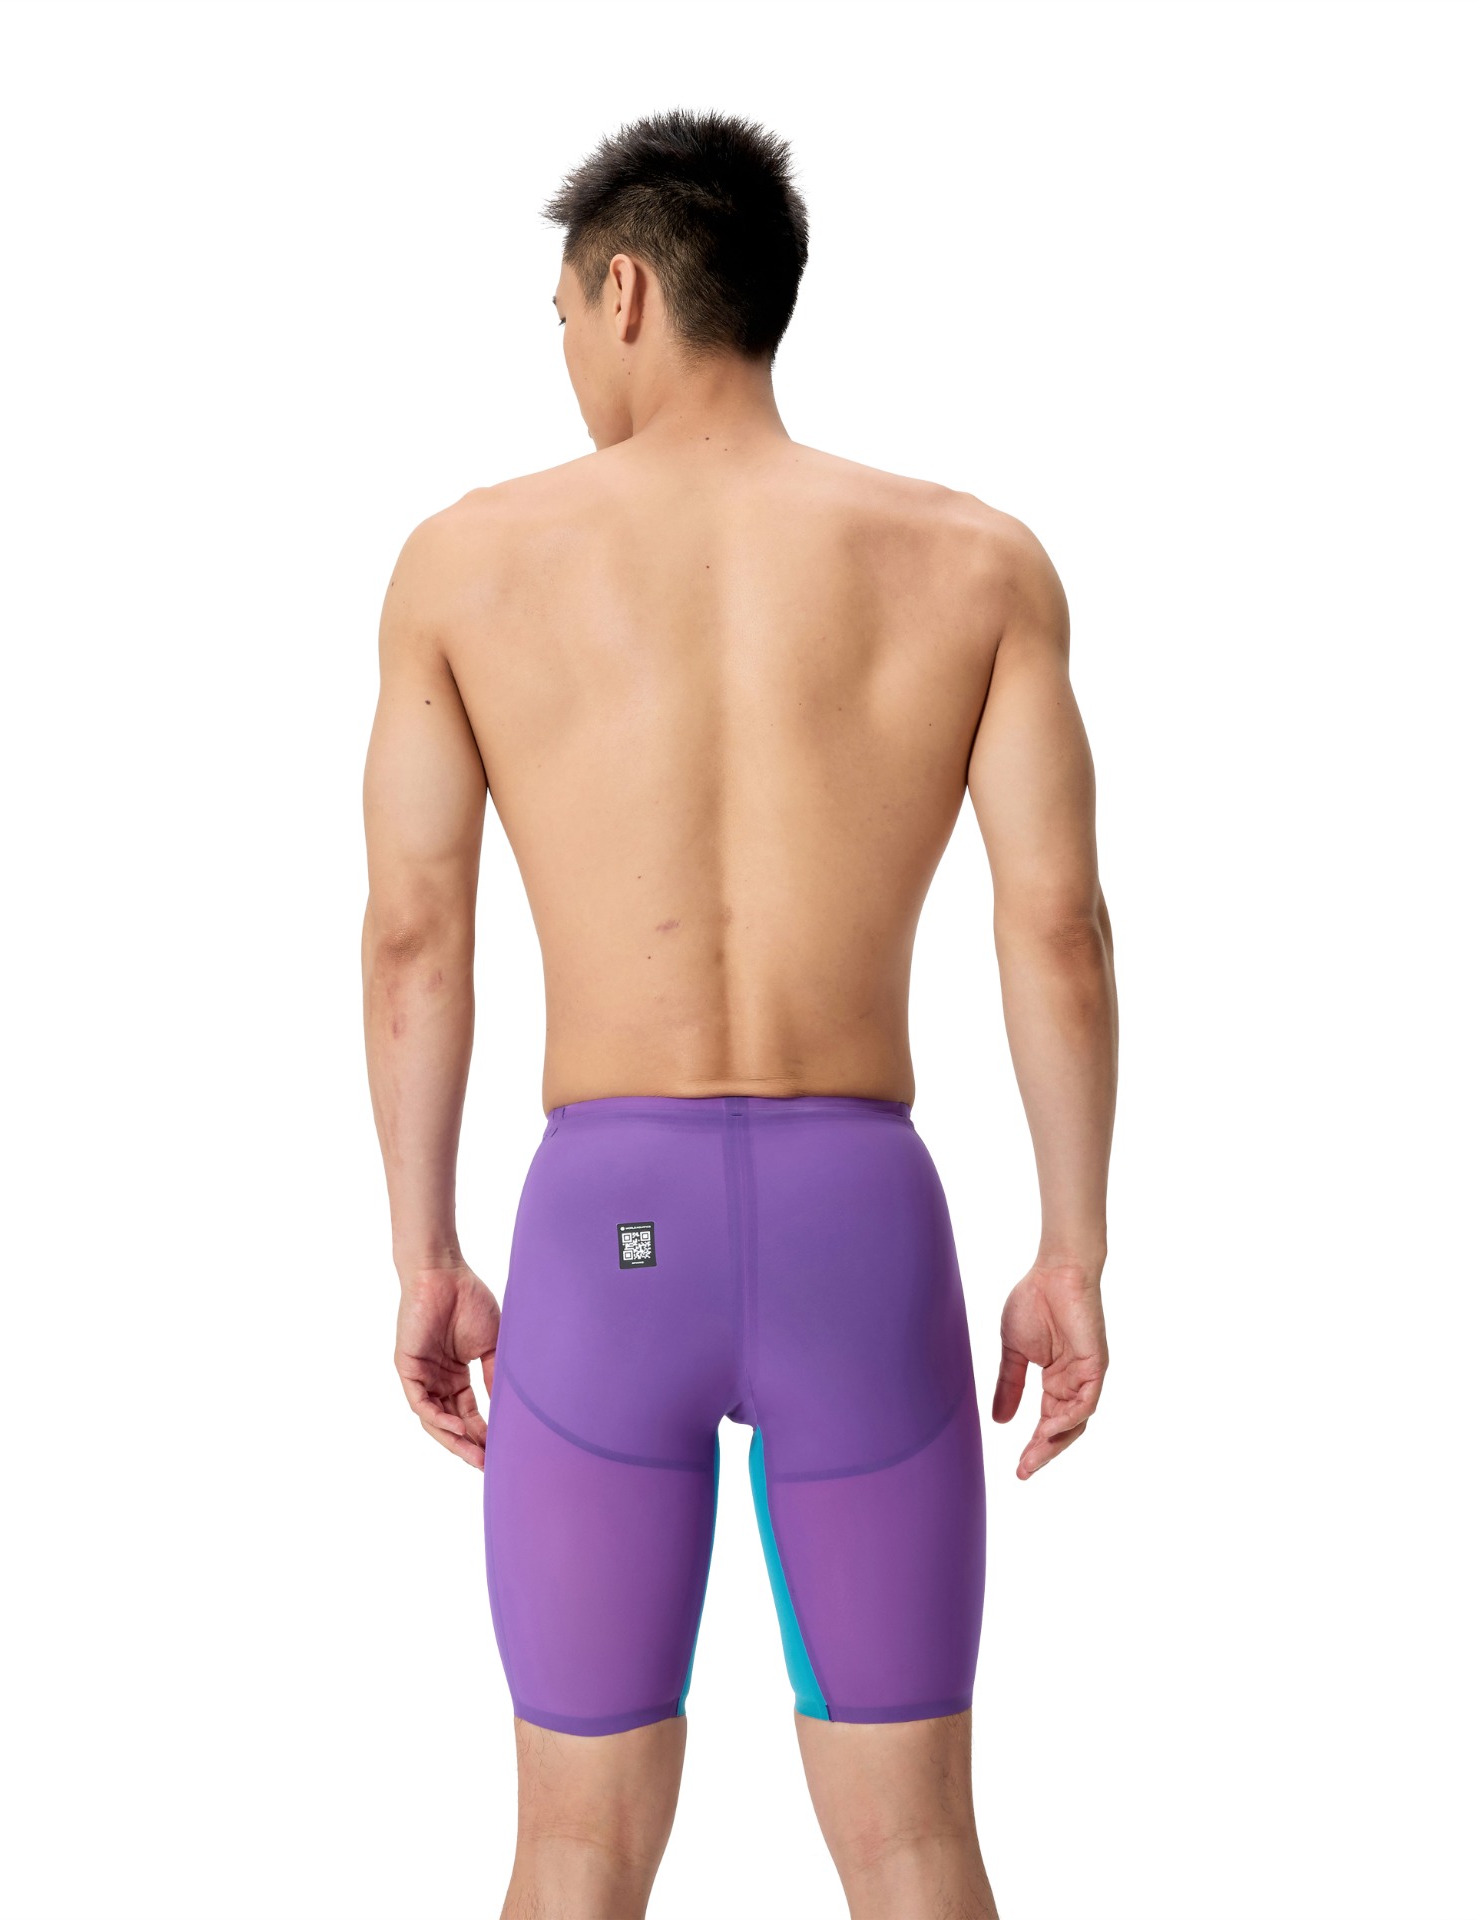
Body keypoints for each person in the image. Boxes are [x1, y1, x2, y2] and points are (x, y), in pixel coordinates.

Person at [361, 110, 1117, 1920]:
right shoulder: (974, 561)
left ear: (624, 290)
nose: (563, 356)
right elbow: (1058, 926)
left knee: (572, 1848)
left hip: (603, 1228)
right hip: (866, 1226)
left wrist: (427, 1254)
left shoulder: (467, 564)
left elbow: (414, 937)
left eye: (560, 315)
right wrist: (1071, 1250)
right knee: (917, 1843)